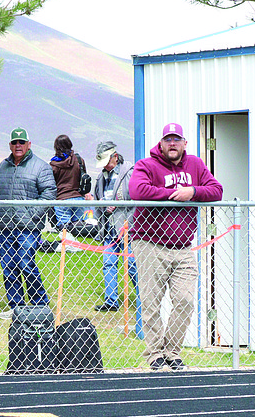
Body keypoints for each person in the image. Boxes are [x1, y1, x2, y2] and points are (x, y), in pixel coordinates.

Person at [129, 122, 223, 371]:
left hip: (183, 246)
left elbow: (217, 190)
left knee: (185, 300)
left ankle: (172, 351)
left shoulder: (195, 165)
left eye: (177, 139)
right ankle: (154, 354)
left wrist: (192, 191)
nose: (172, 144)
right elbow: (137, 190)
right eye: (168, 139)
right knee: (151, 302)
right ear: (161, 143)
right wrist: (173, 194)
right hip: (149, 242)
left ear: (185, 143)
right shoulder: (146, 165)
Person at [0, 127, 57, 319]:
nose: (18, 146)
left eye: (21, 142)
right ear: (10, 145)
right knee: (8, 266)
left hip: (29, 228)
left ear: (28, 144)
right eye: (15, 142)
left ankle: (40, 305)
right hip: (6, 226)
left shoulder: (40, 166)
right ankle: (17, 307)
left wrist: (32, 213)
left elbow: (49, 193)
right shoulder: (3, 166)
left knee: (26, 264)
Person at [92, 141, 143, 336]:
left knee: (131, 264)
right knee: (109, 262)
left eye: (107, 161)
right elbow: (98, 200)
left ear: (115, 157)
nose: (105, 165)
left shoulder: (129, 172)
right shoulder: (101, 177)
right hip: (109, 229)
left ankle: (141, 297)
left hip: (128, 227)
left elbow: (136, 200)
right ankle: (111, 300)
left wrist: (121, 209)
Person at [49, 134, 87, 252]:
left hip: (62, 199)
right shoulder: (79, 160)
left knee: (64, 228)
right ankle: (77, 246)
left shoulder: (53, 165)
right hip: (78, 198)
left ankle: (71, 247)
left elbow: (50, 183)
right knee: (77, 227)